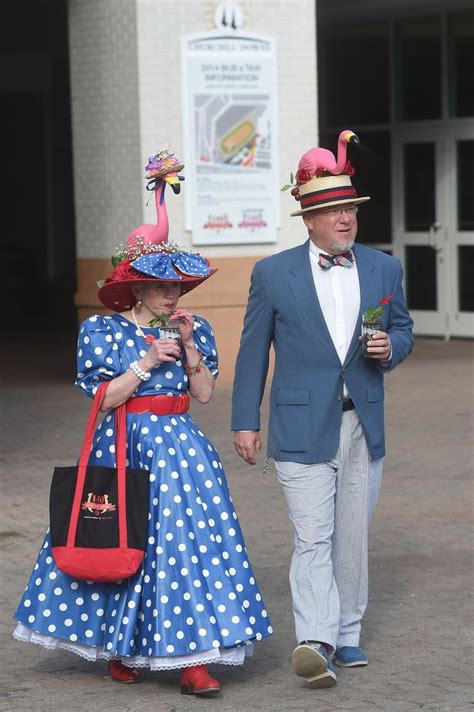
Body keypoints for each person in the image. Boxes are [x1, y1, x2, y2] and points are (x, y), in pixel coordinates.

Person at [13, 152, 272, 698]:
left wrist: (189, 355)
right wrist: (146, 362)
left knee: (188, 548)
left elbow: (202, 396)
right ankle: (120, 647)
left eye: (176, 286)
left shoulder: (191, 329)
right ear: (134, 289)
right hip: (125, 446)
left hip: (182, 450)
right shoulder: (102, 332)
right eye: (159, 287)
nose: (170, 294)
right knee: (122, 540)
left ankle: (194, 659)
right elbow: (102, 398)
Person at [231, 135, 413, 689]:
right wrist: (245, 419)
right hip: (299, 423)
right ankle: (316, 639)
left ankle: (348, 631)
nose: (345, 218)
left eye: (350, 209)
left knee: (352, 533)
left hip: (363, 418)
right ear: (308, 219)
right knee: (313, 535)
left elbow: (401, 329)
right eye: (333, 210)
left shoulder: (384, 268)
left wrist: (390, 349)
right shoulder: (272, 272)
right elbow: (252, 348)